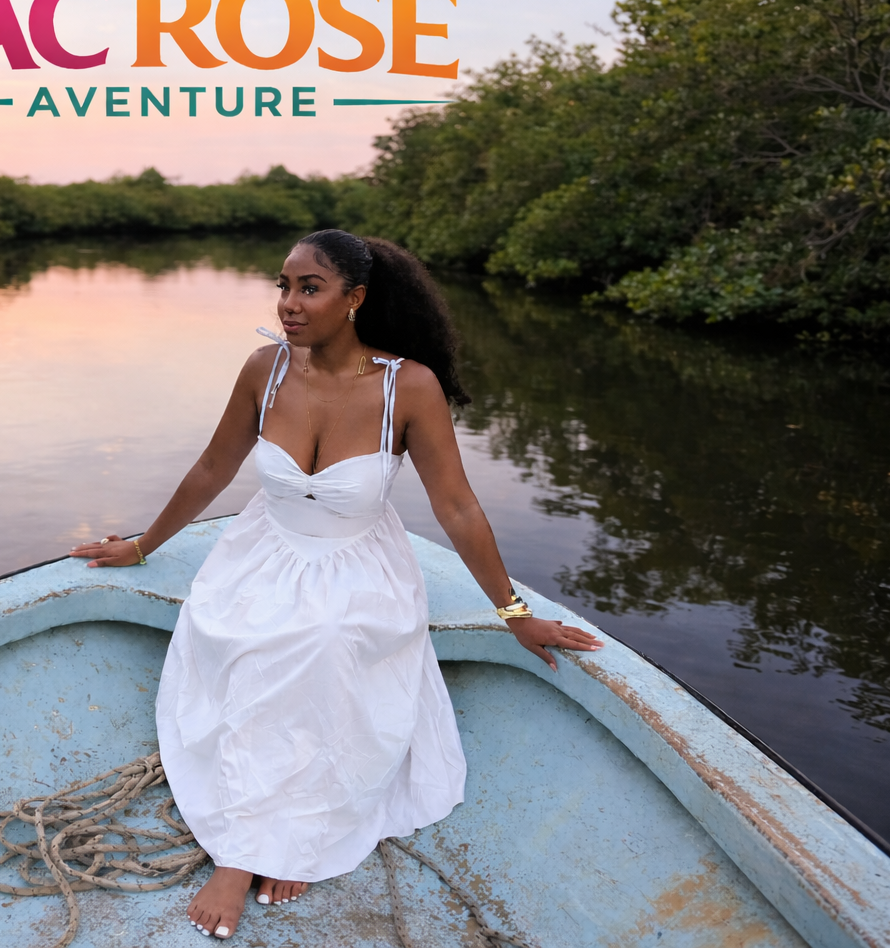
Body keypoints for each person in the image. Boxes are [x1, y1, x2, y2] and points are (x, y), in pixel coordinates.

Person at [68, 230, 603, 940]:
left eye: (309, 288)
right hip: (264, 554)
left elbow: (458, 507)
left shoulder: (406, 386)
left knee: (322, 643)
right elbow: (211, 469)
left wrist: (514, 612)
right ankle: (262, 845)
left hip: (358, 564)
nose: (290, 303)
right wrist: (142, 544)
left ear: (354, 299)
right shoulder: (265, 369)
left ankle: (250, 850)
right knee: (253, 638)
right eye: (284, 286)